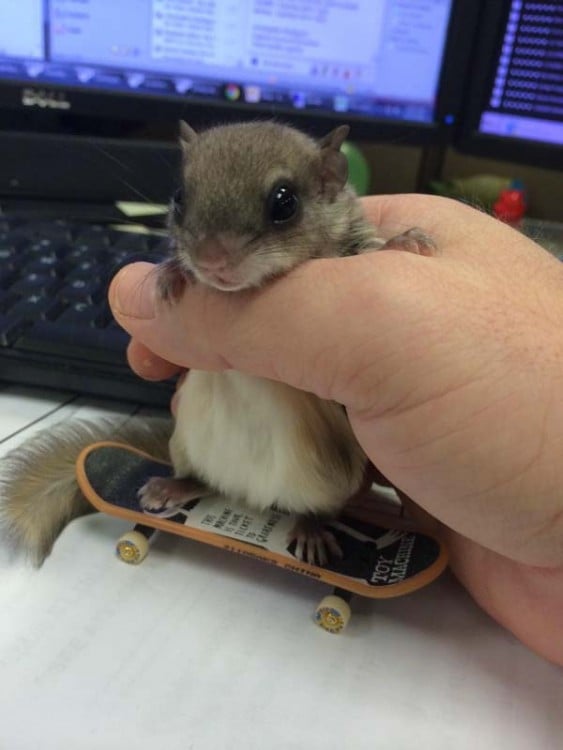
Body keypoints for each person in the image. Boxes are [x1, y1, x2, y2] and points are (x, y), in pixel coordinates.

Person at [109, 194, 563, 666]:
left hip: (300, 431)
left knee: (313, 454)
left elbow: (355, 257)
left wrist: (389, 255)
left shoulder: (329, 244)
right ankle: (194, 475)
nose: (216, 257)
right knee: (199, 405)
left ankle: (314, 514)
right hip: (223, 405)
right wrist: (174, 272)